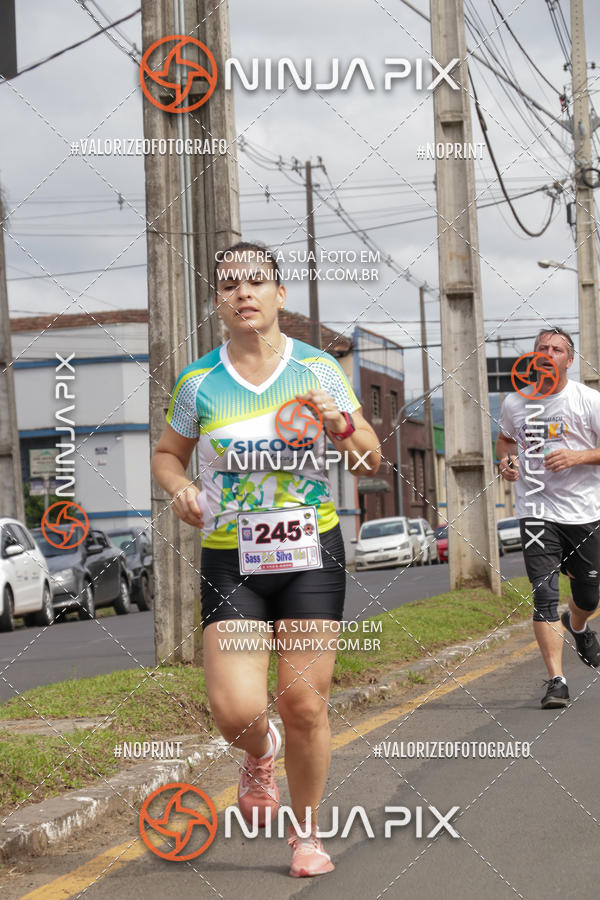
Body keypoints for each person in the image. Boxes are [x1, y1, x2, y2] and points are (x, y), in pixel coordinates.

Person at [151, 241, 381, 876]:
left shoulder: (318, 371)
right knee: (236, 712)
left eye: (256, 281)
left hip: (310, 552)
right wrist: (180, 491)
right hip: (233, 559)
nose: (243, 292)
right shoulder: (199, 381)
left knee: (304, 703)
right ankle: (259, 754)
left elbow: (370, 460)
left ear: (281, 295)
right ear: (218, 302)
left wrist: (340, 425)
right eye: (229, 284)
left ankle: (305, 835)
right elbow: (167, 455)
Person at [497, 327, 600, 709]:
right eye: (542, 347)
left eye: (557, 349)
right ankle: (556, 680)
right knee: (543, 594)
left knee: (589, 594)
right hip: (536, 510)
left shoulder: (588, 401)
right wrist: (506, 462)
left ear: (569, 361)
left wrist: (578, 456)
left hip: (585, 511)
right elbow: (506, 440)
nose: (549, 353)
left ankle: (578, 625)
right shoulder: (514, 402)